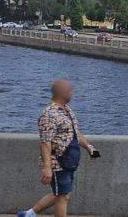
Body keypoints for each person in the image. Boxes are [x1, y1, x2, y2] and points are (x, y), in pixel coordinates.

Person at [18, 79, 97, 217]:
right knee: (62, 197)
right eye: (70, 90)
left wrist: (88, 146)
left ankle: (28, 214)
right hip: (57, 163)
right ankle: (29, 214)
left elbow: (75, 132)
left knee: (62, 194)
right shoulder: (49, 114)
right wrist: (47, 167)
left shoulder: (67, 111)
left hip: (68, 161)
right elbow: (45, 143)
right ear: (62, 93)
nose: (72, 93)